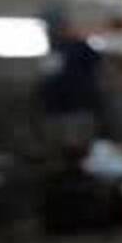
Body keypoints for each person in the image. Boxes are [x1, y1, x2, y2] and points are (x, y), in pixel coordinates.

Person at [39, 9, 103, 157]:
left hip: (78, 106)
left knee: (77, 144)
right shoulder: (53, 47)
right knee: (60, 143)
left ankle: (77, 171)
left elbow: (96, 62)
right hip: (55, 107)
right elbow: (48, 76)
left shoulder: (80, 46)